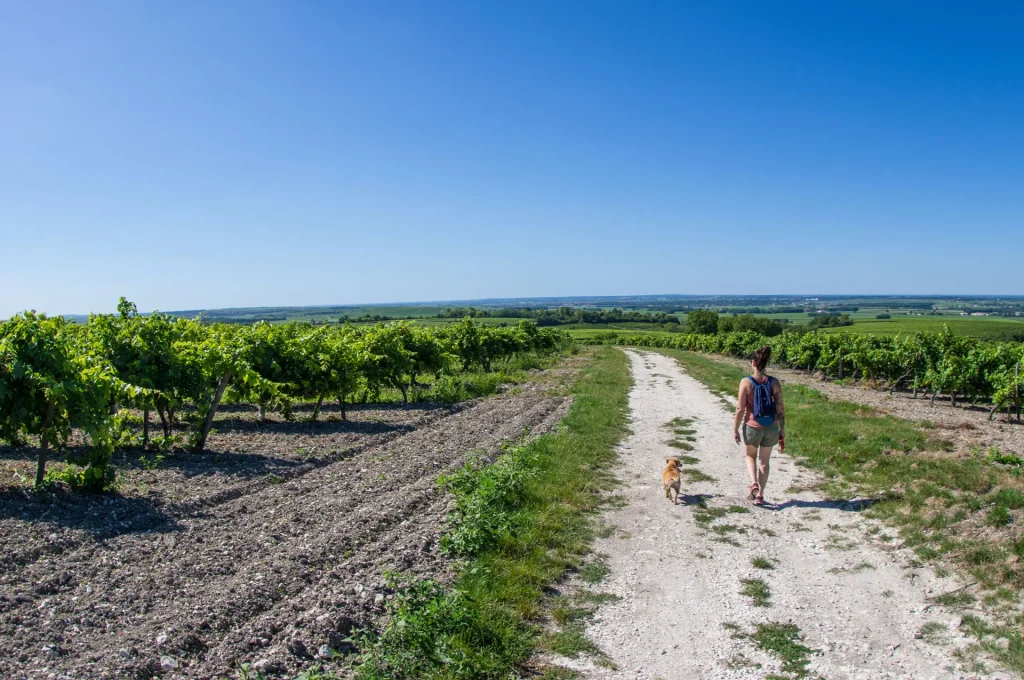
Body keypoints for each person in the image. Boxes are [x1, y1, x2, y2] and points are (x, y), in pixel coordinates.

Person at [733, 345, 784, 506]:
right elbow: (780, 408)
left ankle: (753, 483)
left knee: (750, 456)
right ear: (766, 362)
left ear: (753, 363)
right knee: (764, 462)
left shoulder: (746, 382)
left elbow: (740, 408)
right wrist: (782, 429)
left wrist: (735, 429)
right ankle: (761, 495)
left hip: (752, 426)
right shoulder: (774, 382)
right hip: (771, 427)